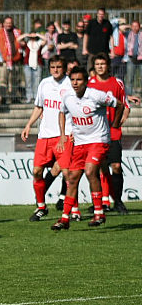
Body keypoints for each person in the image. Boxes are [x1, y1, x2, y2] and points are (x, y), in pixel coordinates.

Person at [52, 66, 121, 230]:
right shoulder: (68, 97)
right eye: (73, 80)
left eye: (79, 80)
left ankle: (99, 213)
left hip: (98, 140)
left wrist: (115, 124)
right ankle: (64, 219)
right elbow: (61, 112)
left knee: (90, 171)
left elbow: (119, 105)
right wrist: (63, 133)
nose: (75, 83)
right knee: (72, 177)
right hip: (80, 143)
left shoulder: (96, 95)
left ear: (86, 81)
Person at [21, 57, 73, 222]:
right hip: (44, 136)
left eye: (59, 67)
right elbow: (39, 107)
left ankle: (71, 209)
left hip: (63, 135)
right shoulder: (44, 83)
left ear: (64, 68)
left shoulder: (70, 84)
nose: (55, 70)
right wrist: (29, 124)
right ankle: (41, 207)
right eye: (52, 67)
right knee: (36, 171)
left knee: (67, 173)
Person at [88, 53, 129, 214]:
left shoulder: (117, 83)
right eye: (97, 64)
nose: (100, 66)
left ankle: (118, 201)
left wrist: (119, 123)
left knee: (116, 166)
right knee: (98, 168)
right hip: (96, 133)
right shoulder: (90, 84)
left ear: (107, 66)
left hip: (113, 132)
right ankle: (100, 202)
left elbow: (125, 106)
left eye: (102, 64)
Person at [0, 16, 22, 103]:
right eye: (7, 23)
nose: (8, 25)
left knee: (14, 80)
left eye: (10, 23)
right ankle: (3, 97)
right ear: (3, 24)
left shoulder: (17, 32)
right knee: (3, 80)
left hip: (15, 60)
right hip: (3, 61)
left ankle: (13, 97)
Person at [124, 20, 142, 96]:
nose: (135, 28)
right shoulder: (127, 34)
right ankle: (129, 96)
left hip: (141, 59)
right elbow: (121, 28)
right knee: (129, 79)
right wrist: (129, 26)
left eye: (136, 26)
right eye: (133, 26)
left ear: (139, 27)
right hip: (131, 59)